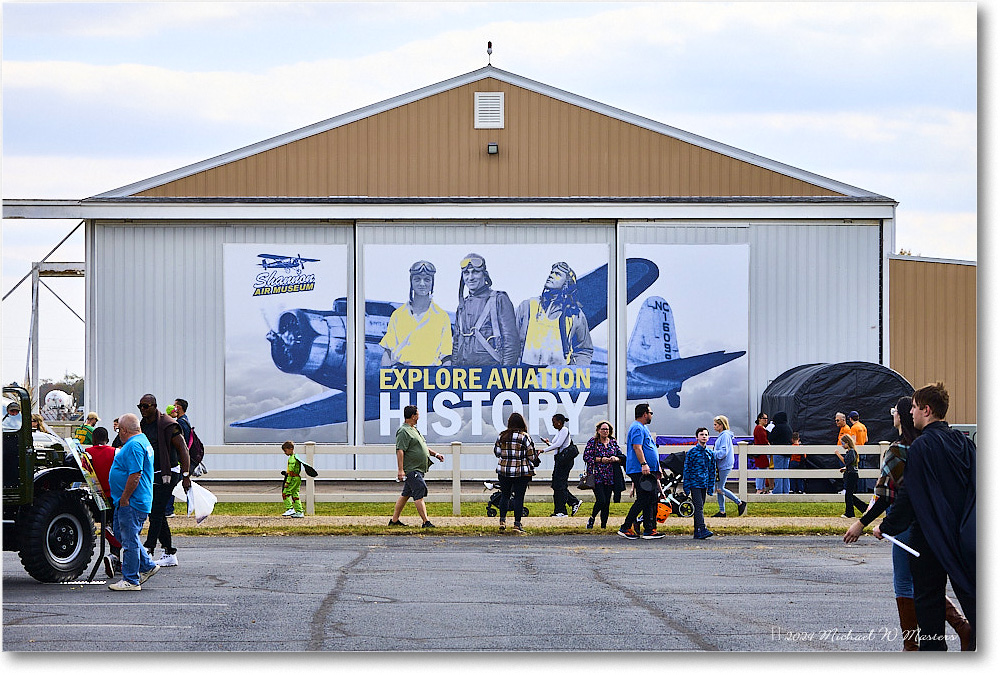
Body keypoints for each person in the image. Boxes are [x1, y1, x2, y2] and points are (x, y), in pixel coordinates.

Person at [843, 396, 970, 651]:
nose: (897, 415)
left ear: (902, 415)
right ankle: (961, 626)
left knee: (905, 582)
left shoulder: (898, 450)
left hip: (904, 522)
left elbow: (887, 496)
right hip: (934, 523)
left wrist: (865, 523)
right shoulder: (934, 444)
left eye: (898, 411)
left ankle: (913, 645)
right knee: (928, 582)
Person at [875, 382, 976, 651]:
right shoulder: (964, 444)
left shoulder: (920, 448)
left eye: (916, 409)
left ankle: (933, 655)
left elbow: (909, 495)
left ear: (927, 410)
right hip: (962, 534)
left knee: (929, 602)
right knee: (971, 595)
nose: (911, 414)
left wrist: (886, 526)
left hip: (928, 537)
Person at [106, 413, 160, 591]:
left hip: (132, 501)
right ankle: (147, 565)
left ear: (124, 430)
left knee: (128, 540)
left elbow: (135, 474)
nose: (117, 432)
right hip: (130, 500)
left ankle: (131, 579)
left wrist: (125, 498)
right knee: (122, 535)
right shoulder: (141, 441)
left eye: (118, 429)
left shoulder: (134, 445)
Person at [138, 394, 191, 567]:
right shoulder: (143, 424)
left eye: (146, 406)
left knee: (156, 511)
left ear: (154, 406)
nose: (143, 410)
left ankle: (149, 549)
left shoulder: (168, 425)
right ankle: (169, 552)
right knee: (158, 512)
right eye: (140, 406)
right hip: (151, 472)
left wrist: (185, 475)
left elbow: (183, 449)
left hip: (169, 473)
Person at [516, 262, 593, 367]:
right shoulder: (527, 306)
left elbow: (584, 350)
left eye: (557, 274)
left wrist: (576, 373)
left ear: (566, 283)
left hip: (557, 378)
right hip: (524, 373)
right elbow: (510, 342)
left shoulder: (575, 315)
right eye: (551, 272)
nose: (551, 275)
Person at [380, 260, 453, 367]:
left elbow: (446, 357)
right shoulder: (398, 315)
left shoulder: (442, 317)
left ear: (432, 283)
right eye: (417, 279)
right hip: (402, 376)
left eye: (427, 280)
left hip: (430, 377)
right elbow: (387, 352)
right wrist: (385, 379)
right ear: (411, 282)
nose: (422, 284)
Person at [452, 252, 519, 366]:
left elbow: (511, 342)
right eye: (466, 273)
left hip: (492, 374)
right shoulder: (462, 306)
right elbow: (456, 344)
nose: (470, 277)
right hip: (464, 375)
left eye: (475, 272)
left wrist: (506, 374)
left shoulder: (499, 299)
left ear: (484, 274)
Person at [389, 405, 444, 528]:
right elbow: (400, 450)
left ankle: (394, 521)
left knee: (405, 494)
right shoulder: (403, 431)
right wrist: (400, 470)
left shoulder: (413, 429)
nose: (419, 416)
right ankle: (426, 521)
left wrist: (436, 454)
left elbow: (422, 446)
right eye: (418, 414)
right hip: (411, 469)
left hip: (418, 468)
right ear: (413, 416)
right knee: (420, 489)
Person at [617, 403, 664, 540]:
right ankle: (625, 527)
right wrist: (644, 464)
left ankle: (649, 529)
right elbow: (637, 447)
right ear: (644, 414)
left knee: (650, 498)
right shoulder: (637, 428)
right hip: (640, 469)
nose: (651, 415)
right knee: (644, 498)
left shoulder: (643, 427)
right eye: (650, 413)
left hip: (649, 469)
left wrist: (656, 467)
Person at [492, 412, 539, 534]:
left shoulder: (502, 436)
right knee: (519, 497)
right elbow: (531, 455)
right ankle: (517, 525)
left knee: (505, 496)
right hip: (521, 471)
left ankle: (502, 521)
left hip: (504, 470)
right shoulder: (524, 437)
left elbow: (497, 453)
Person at [87, 426, 123, 577]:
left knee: (106, 523)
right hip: (113, 495)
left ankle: (115, 558)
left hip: (97, 496)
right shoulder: (115, 452)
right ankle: (115, 557)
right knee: (116, 526)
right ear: (107, 439)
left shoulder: (87, 453)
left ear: (93, 439)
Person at [540, 413, 582, 517]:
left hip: (564, 461)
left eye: (553, 422)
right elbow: (557, 446)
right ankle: (572, 502)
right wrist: (548, 443)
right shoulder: (559, 431)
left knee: (560, 485)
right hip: (559, 460)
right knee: (557, 485)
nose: (552, 424)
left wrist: (543, 450)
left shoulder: (564, 430)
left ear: (559, 422)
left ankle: (561, 511)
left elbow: (558, 445)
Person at [582, 420, 622, 529]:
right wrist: (600, 459)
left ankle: (603, 525)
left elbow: (621, 455)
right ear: (598, 430)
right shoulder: (593, 442)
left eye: (607, 429)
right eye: (603, 429)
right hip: (597, 475)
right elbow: (586, 457)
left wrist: (616, 458)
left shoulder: (613, 442)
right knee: (601, 500)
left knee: (607, 502)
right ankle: (592, 517)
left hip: (610, 476)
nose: (605, 431)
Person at [710, 415, 747, 517]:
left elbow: (723, 452)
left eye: (715, 424)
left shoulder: (725, 436)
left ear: (721, 425)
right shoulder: (724, 435)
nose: (714, 427)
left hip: (724, 465)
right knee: (719, 488)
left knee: (720, 488)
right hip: (722, 465)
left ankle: (739, 502)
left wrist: (712, 453)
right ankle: (722, 511)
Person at [684, 427, 716, 539]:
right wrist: (686, 486)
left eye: (706, 434)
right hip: (694, 483)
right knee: (698, 507)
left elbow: (712, 471)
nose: (704, 436)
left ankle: (697, 531)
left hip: (704, 483)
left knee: (700, 507)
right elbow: (687, 469)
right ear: (696, 437)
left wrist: (711, 486)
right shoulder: (692, 452)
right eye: (701, 434)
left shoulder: (710, 453)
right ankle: (702, 529)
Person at [835, 435, 867, 518]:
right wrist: (845, 469)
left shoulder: (851, 452)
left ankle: (850, 512)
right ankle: (863, 507)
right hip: (851, 473)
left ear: (847, 443)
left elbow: (846, 462)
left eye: (843, 443)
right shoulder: (851, 452)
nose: (842, 445)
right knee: (849, 494)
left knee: (848, 494)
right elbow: (850, 465)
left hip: (852, 475)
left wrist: (838, 454)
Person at [768, 412, 793, 495]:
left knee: (778, 472)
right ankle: (786, 491)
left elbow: (771, 437)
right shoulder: (788, 427)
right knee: (785, 472)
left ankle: (778, 491)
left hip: (778, 452)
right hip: (788, 453)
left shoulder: (778, 427)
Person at [280, 441, 305, 518]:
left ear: (290, 449)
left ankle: (290, 508)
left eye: (285, 450)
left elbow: (291, 471)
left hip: (293, 478)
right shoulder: (296, 457)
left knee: (285, 493)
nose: (285, 453)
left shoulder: (292, 459)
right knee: (295, 494)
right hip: (297, 478)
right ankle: (299, 511)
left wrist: (287, 482)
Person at [752, 412, 769, 494]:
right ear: (759, 419)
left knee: (763, 470)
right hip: (761, 453)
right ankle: (759, 488)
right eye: (764, 418)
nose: (766, 420)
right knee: (761, 470)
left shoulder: (760, 428)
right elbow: (763, 440)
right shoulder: (759, 428)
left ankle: (762, 488)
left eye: (766, 418)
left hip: (762, 453)